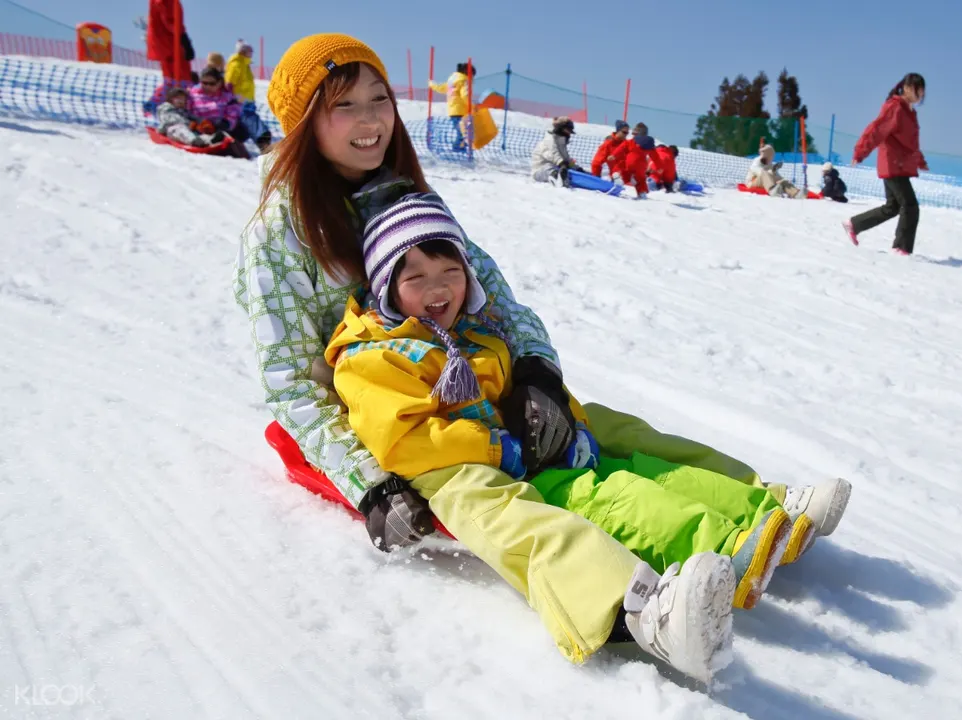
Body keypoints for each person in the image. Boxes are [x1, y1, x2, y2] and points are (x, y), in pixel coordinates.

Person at [235, 32, 852, 678]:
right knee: (504, 500)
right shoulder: (281, 231)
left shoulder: (404, 193)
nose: (370, 122)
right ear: (306, 124)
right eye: (343, 107)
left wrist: (535, 375)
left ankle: (757, 505)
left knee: (606, 429)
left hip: (472, 374)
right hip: (400, 424)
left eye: (378, 99)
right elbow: (289, 383)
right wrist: (370, 485)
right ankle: (638, 609)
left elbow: (495, 296)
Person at [328, 193, 824, 609]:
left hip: (518, 447)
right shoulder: (376, 357)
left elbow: (520, 382)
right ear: (387, 288)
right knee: (605, 496)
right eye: (415, 278)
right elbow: (406, 440)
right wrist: (502, 450)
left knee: (628, 452)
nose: (438, 289)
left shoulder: (476, 331)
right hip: (472, 466)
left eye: (450, 271)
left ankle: (757, 508)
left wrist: (571, 421)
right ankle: (723, 547)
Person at [843, 73, 927, 254]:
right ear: (906, 88)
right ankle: (901, 248)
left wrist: (919, 160)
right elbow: (876, 130)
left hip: (901, 165)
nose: (920, 92)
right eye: (916, 88)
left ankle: (854, 225)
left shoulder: (910, 112)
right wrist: (860, 152)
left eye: (922, 89)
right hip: (893, 164)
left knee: (893, 207)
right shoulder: (895, 107)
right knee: (910, 205)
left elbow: (910, 143)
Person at [188, 68, 250, 158]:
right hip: (200, 126)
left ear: (219, 83)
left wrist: (226, 123)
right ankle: (203, 141)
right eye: (204, 83)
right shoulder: (193, 95)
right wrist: (197, 121)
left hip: (220, 126)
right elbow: (187, 111)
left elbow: (233, 112)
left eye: (212, 84)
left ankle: (223, 141)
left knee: (242, 128)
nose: (207, 86)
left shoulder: (227, 96)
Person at [225, 39, 273, 152]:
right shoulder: (236, 64)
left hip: (247, 98)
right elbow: (230, 82)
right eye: (249, 51)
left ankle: (239, 137)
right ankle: (262, 138)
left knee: (246, 119)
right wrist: (233, 97)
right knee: (248, 117)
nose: (252, 53)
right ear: (243, 51)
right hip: (240, 99)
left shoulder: (245, 64)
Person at [155, 86, 225, 148]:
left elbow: (193, 117)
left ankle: (210, 140)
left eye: (182, 99)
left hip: (186, 128)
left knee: (197, 132)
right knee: (179, 129)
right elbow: (171, 119)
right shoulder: (165, 108)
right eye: (177, 98)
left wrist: (202, 122)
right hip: (169, 130)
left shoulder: (184, 111)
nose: (181, 101)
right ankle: (194, 141)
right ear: (170, 99)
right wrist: (190, 124)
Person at [429, 62, 474, 151]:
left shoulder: (452, 80)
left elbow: (442, 88)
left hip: (453, 110)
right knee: (463, 133)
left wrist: (432, 85)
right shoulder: (465, 80)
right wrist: (471, 106)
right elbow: (465, 95)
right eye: (472, 75)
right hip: (462, 110)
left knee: (462, 132)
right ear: (468, 72)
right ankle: (457, 149)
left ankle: (460, 148)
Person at [146, 0, 192, 82]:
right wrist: (183, 38)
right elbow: (170, 19)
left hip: (166, 44)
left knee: (171, 78)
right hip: (171, 45)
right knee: (179, 80)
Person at [531, 116, 583, 187]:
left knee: (566, 170)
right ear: (561, 128)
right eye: (568, 130)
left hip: (556, 168)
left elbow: (566, 158)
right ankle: (556, 178)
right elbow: (553, 154)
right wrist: (561, 163)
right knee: (549, 167)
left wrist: (576, 168)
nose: (569, 134)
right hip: (539, 170)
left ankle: (561, 177)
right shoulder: (549, 139)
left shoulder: (561, 142)